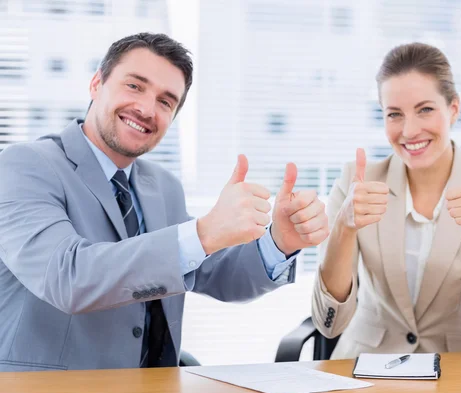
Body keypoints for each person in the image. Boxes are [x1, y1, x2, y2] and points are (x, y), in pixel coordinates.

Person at [0, 33, 329, 371]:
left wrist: (279, 242)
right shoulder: (24, 165)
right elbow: (65, 277)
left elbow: (210, 270)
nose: (146, 109)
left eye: (166, 101)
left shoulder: (163, 186)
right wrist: (204, 232)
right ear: (97, 83)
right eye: (134, 86)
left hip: (152, 388)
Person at [311, 42, 461, 358]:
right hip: (366, 371)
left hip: (460, 373)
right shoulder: (356, 184)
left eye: (425, 109)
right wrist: (343, 231)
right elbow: (327, 324)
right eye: (394, 115)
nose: (409, 130)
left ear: (453, 109)